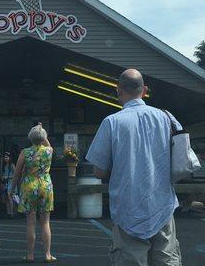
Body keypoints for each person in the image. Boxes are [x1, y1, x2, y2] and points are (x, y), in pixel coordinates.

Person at [86, 69, 182, 266]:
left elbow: (99, 171)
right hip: (162, 206)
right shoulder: (166, 117)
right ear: (144, 90)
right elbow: (181, 160)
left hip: (128, 210)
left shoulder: (111, 122)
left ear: (118, 91)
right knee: (166, 260)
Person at [11, 123, 56, 263]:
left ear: (30, 138)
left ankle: (30, 254)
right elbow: (46, 142)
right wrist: (41, 130)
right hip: (45, 185)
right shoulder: (49, 151)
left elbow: (17, 174)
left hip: (29, 185)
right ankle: (47, 254)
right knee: (45, 222)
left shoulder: (25, 152)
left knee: (31, 222)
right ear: (43, 138)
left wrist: (12, 189)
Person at [1, 152, 16, 217]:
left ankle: (12, 212)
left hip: (10, 182)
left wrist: (8, 177)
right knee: (7, 198)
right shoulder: (5, 165)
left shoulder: (12, 165)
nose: (5, 158)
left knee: (10, 197)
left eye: (7, 157)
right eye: (5, 157)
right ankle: (8, 212)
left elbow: (15, 174)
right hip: (6, 183)